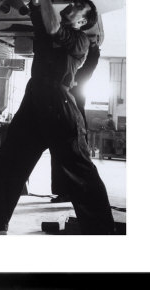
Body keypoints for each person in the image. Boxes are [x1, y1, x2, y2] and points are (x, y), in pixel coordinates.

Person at [0, 0, 114, 234]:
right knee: (8, 162)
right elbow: (41, 20)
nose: (73, 6)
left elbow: (54, 28)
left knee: (80, 172)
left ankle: (102, 233)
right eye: (74, 2)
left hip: (59, 105)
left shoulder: (81, 41)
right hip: (34, 99)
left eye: (80, 7)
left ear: (83, 22)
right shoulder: (49, 29)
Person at [50, 41, 100, 203]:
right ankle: (64, 192)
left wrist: (94, 50)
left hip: (74, 128)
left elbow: (90, 66)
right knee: (61, 160)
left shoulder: (76, 78)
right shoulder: (56, 79)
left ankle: (75, 192)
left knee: (74, 161)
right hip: (63, 126)